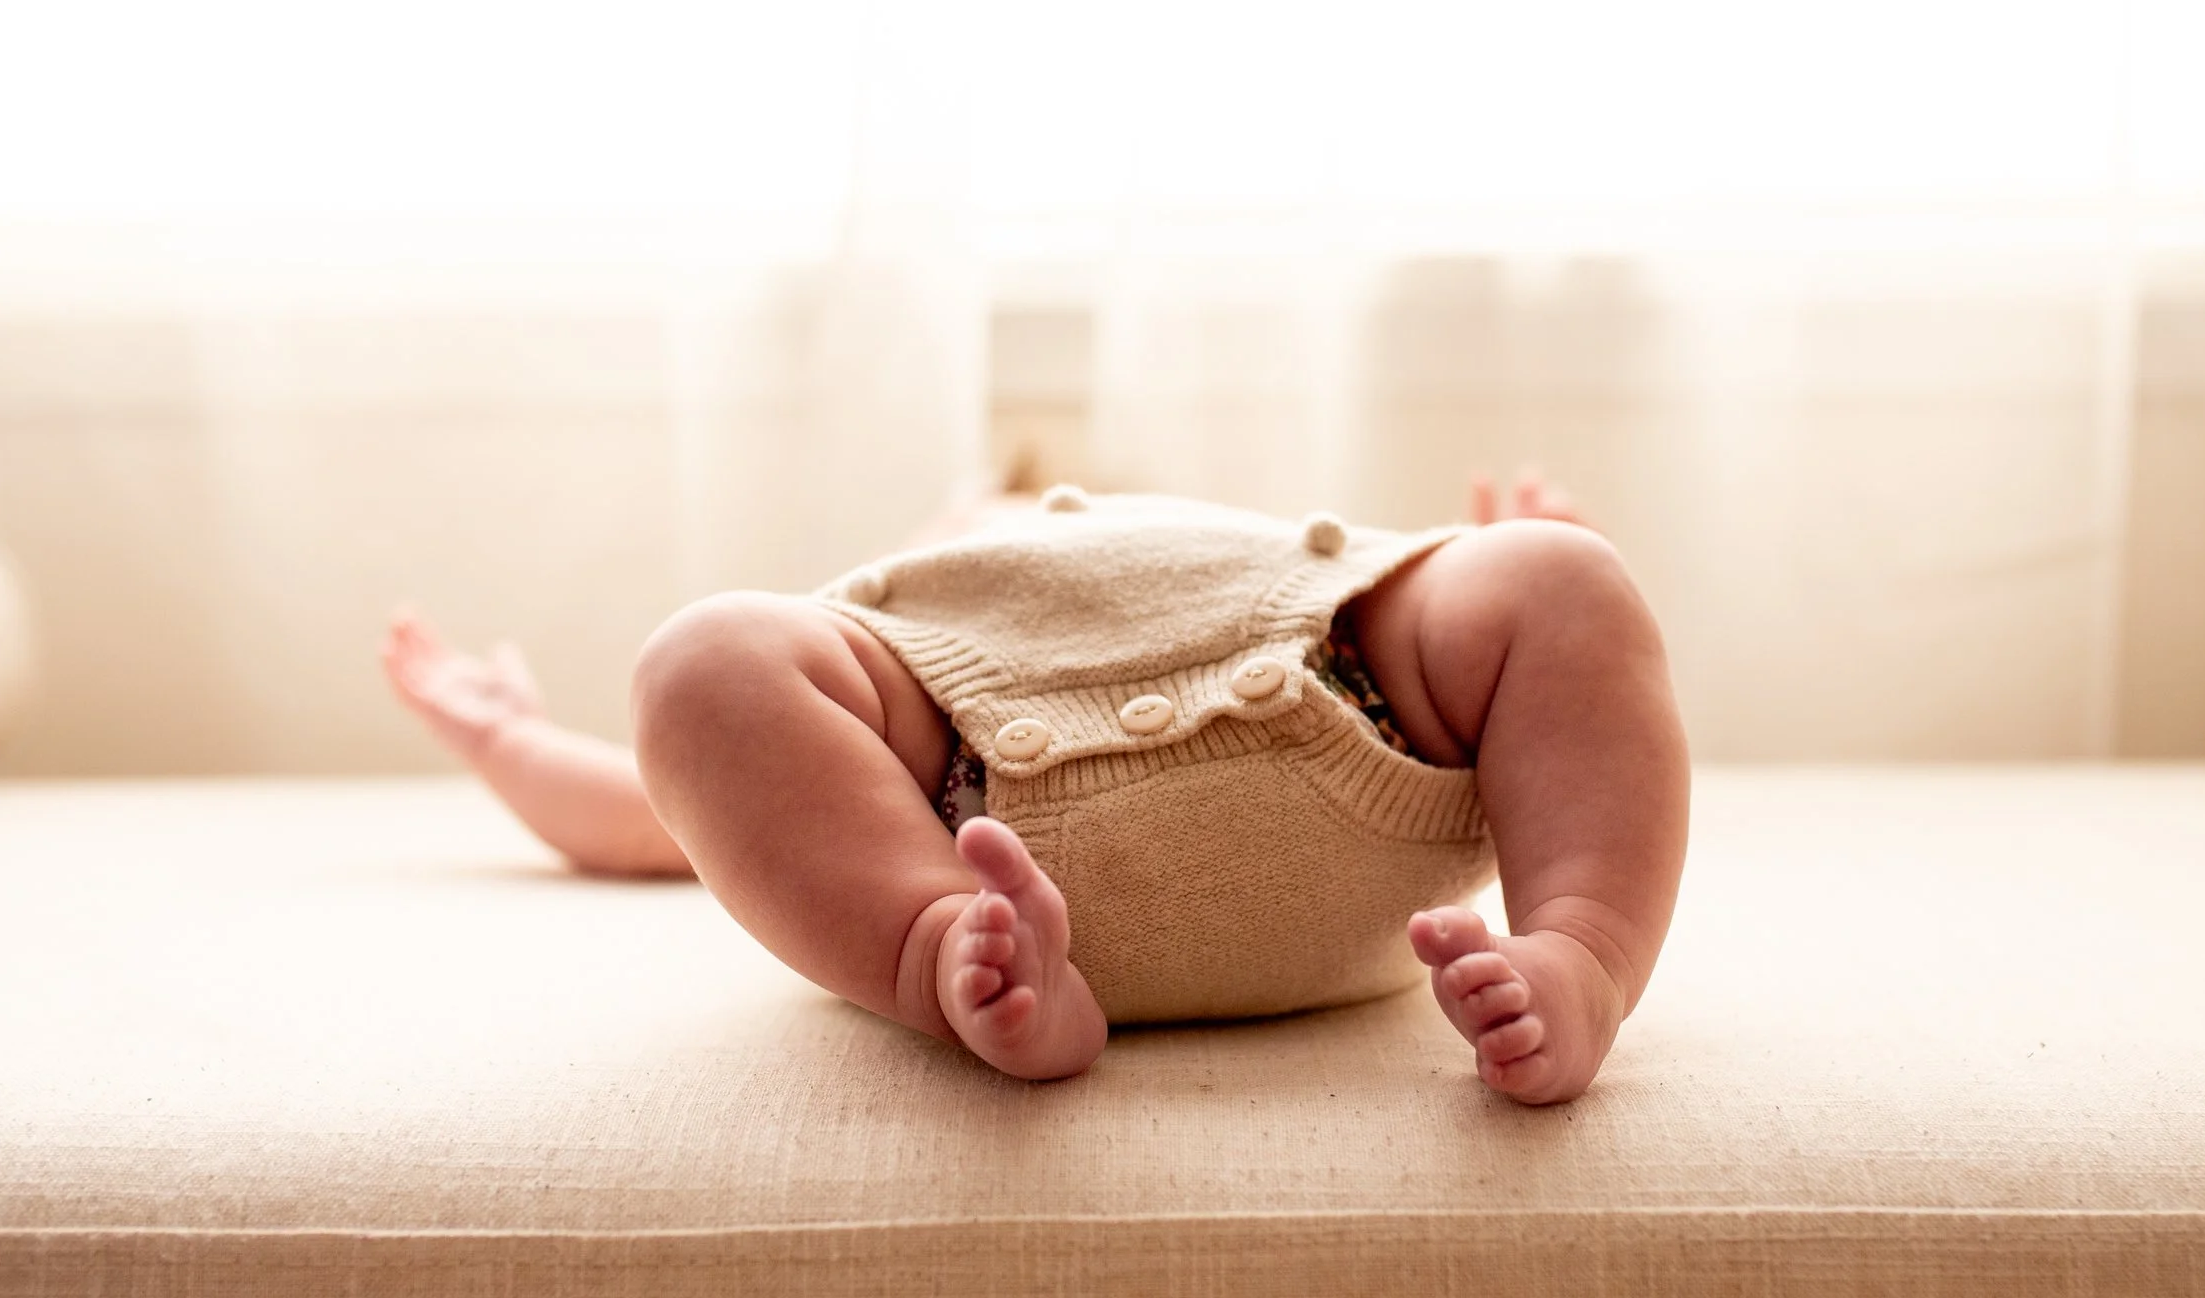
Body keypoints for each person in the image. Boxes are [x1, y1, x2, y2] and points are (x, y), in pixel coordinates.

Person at [382, 471, 1687, 1105]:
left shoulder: (1254, 556)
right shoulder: (900, 663)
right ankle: (940, 946)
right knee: (701, 664)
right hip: (960, 804)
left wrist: (1525, 547)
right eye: (997, 506)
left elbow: (1570, 679)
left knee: (1563, 582)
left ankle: (1581, 949)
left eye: (1036, 500)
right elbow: (663, 812)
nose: (1033, 512)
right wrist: (514, 745)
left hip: (1332, 688)